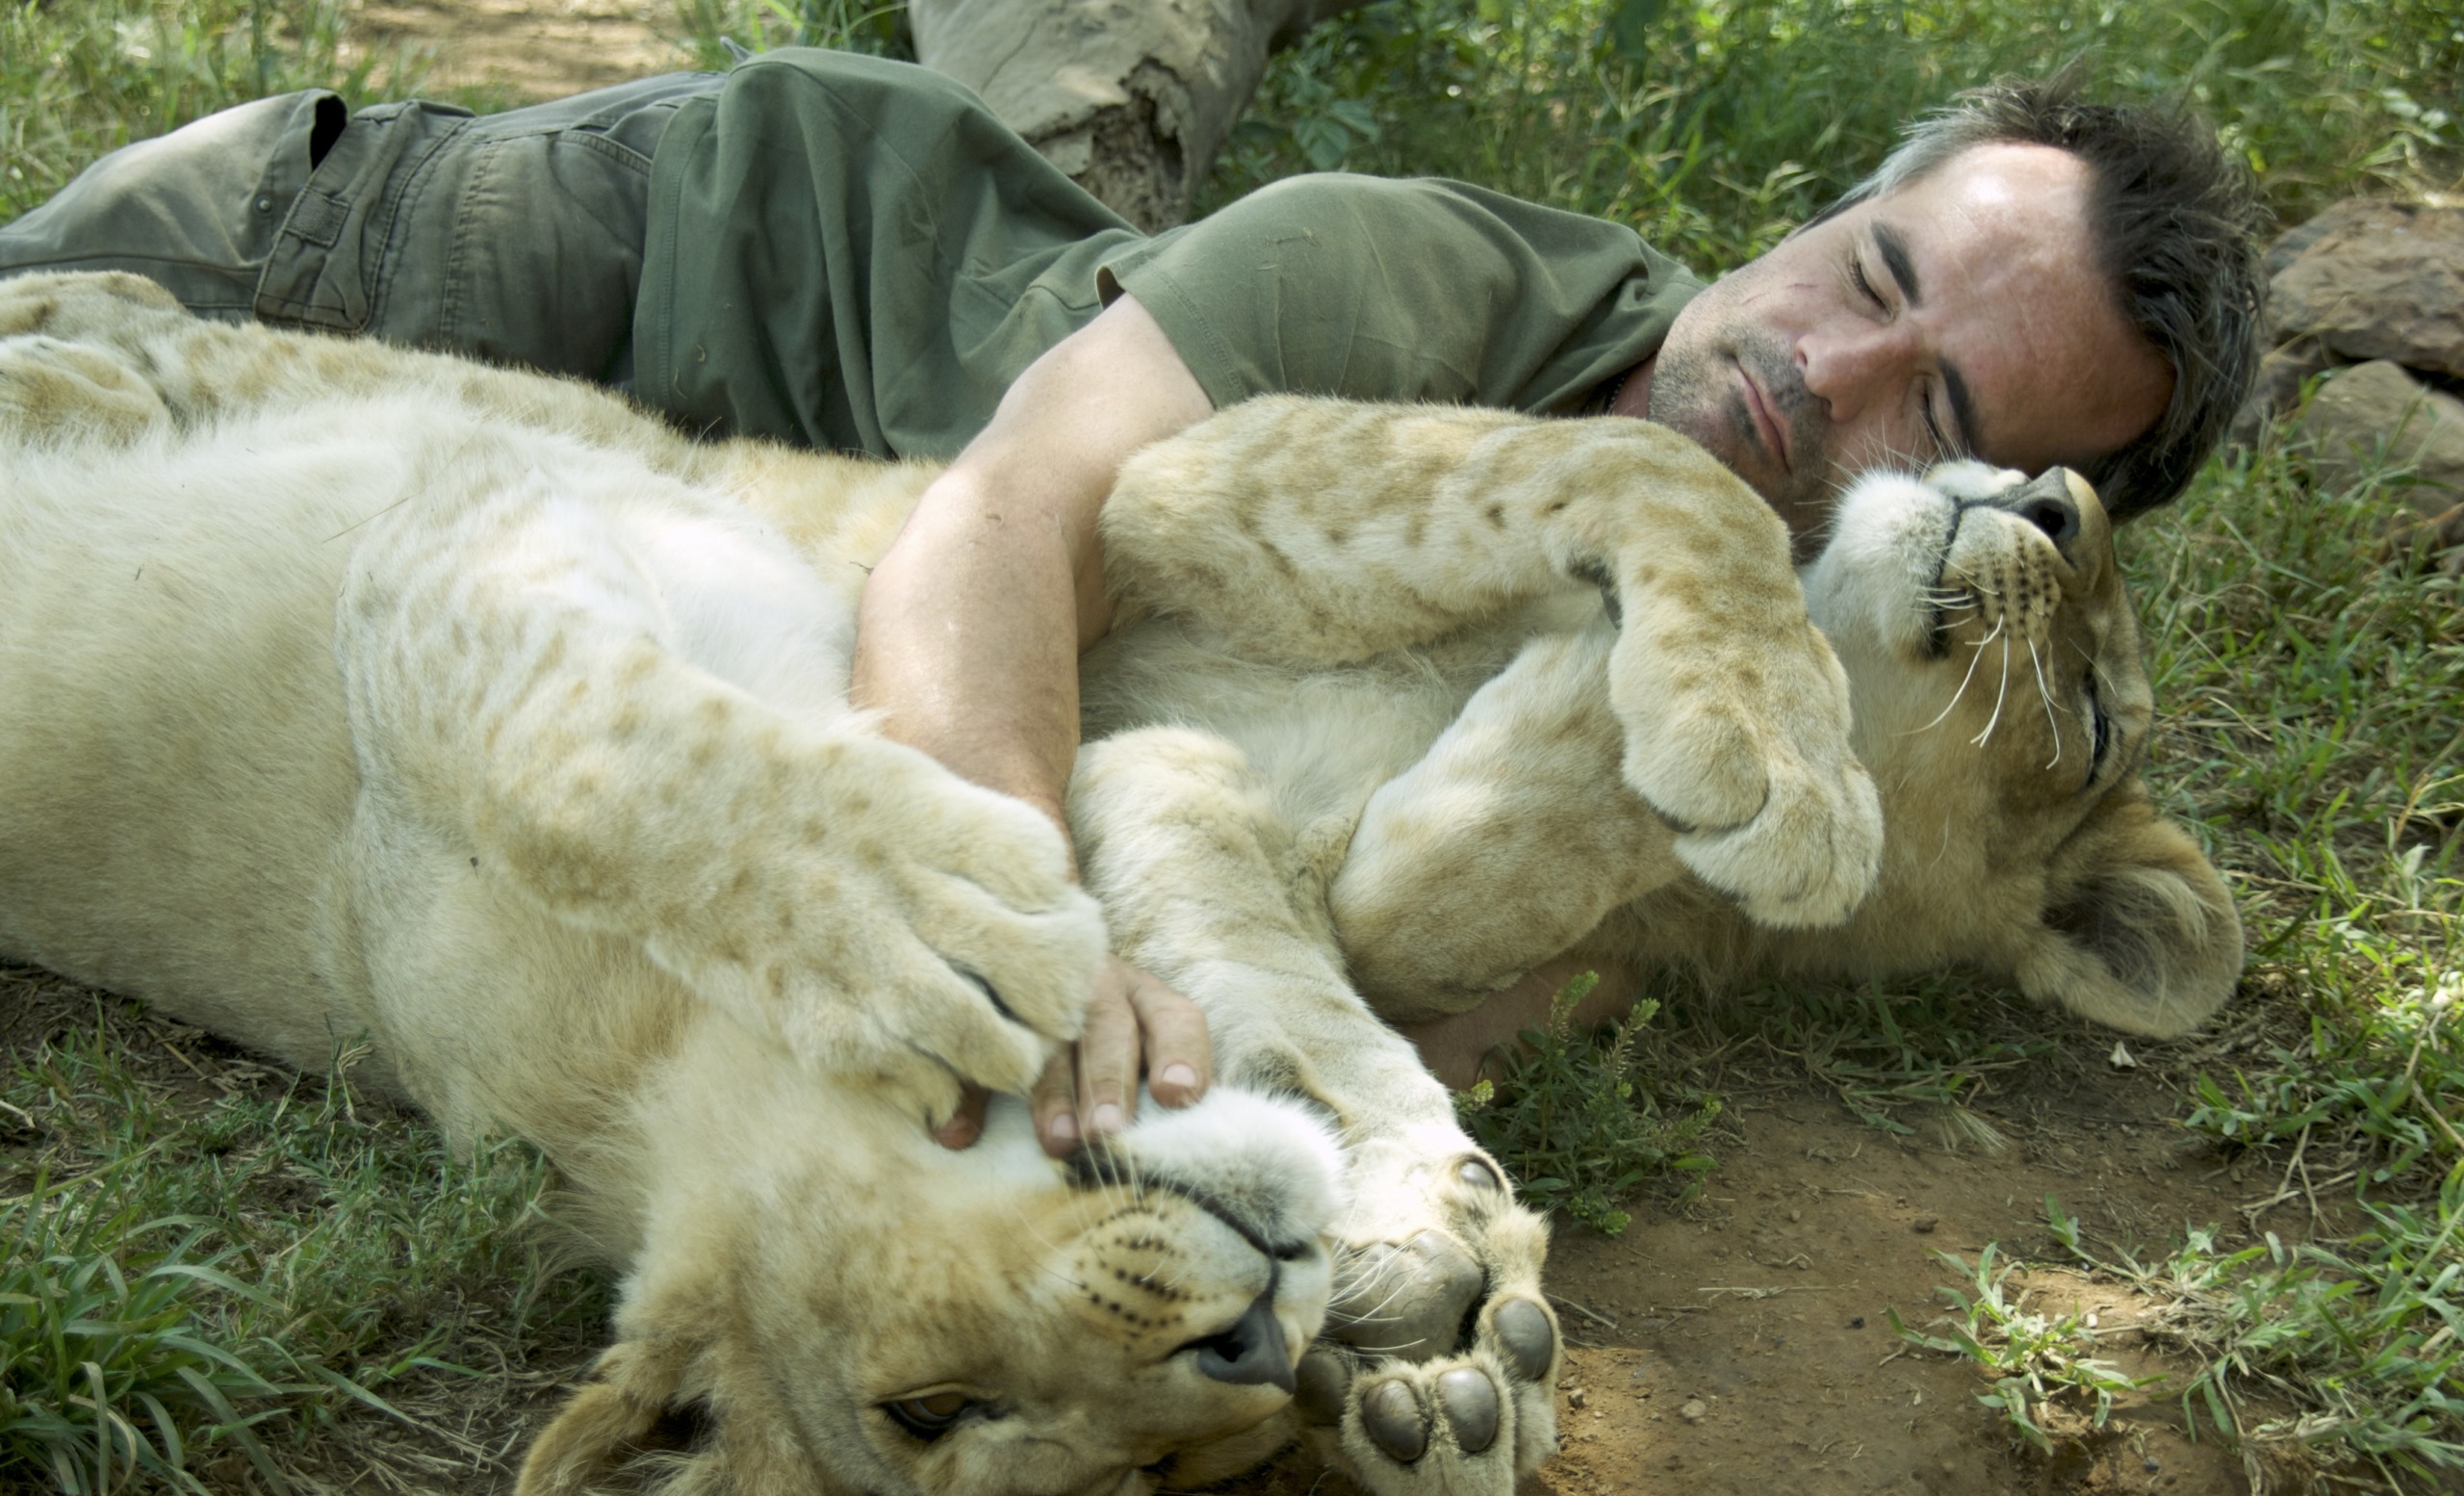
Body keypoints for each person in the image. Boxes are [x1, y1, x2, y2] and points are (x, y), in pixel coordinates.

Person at [0, 49, 2262, 1150]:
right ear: (1807, 219)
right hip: (665, 261)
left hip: (652, 491)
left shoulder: (1781, 665)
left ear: (2009, 519)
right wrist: (1018, 930)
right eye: (1862, 278)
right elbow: (996, 522)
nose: (1813, 379)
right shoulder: (1415, 269)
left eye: (1930, 413)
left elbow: (1450, 954)